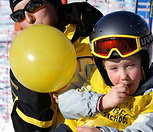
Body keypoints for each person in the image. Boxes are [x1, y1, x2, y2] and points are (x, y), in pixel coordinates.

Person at [58, 11, 153, 132]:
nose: (123, 76)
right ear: (103, 68)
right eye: (113, 68)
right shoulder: (90, 76)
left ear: (143, 64)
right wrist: (101, 102)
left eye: (130, 66)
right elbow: (66, 103)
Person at [9, 0, 103, 131]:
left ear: (54, 4)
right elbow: (31, 127)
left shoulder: (95, 32)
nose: (29, 19)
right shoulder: (23, 59)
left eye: (33, 6)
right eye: (19, 15)